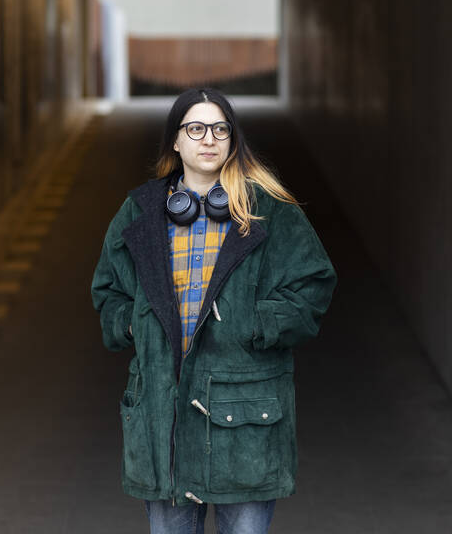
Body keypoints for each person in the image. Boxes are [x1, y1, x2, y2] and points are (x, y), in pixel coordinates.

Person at [91, 87, 338, 534]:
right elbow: (109, 289)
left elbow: (312, 284)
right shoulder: (139, 212)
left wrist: (255, 323)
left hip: (246, 420)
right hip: (162, 421)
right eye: (196, 129)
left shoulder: (268, 210)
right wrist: (132, 325)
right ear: (175, 140)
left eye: (220, 129)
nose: (209, 139)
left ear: (232, 139)